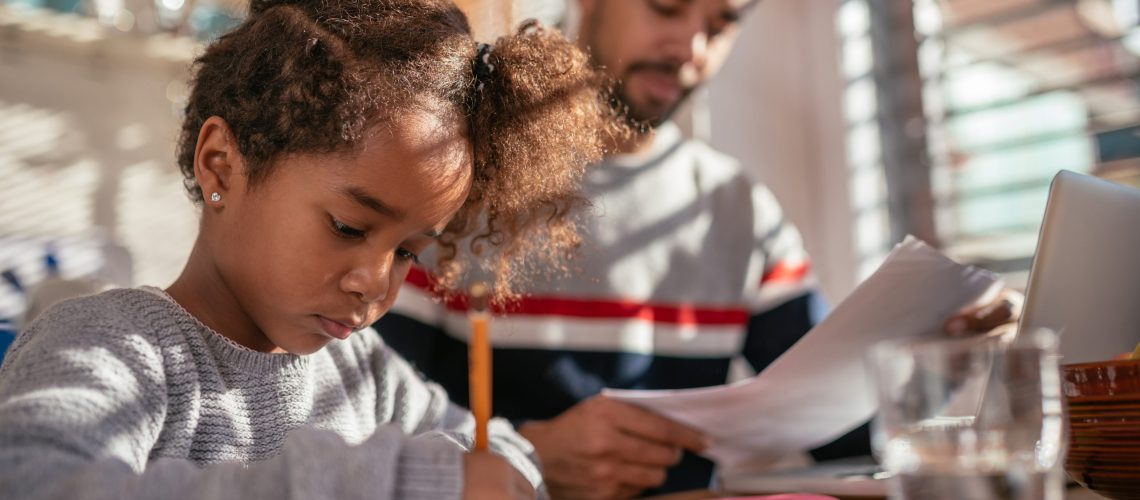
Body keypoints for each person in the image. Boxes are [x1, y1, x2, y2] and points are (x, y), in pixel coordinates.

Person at [376, 0, 1021, 498]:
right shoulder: (456, 182)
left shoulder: (737, 211)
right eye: (665, 6)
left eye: (721, 23)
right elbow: (368, 426)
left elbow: (839, 431)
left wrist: (948, 353)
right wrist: (530, 455)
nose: (690, 47)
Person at [0, 0, 624, 498]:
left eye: (408, 250)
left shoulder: (365, 375)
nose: (376, 283)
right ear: (221, 166)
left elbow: (500, 450)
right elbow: (32, 482)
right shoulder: (111, 346)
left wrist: (482, 475)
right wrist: (399, 482)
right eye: (350, 228)